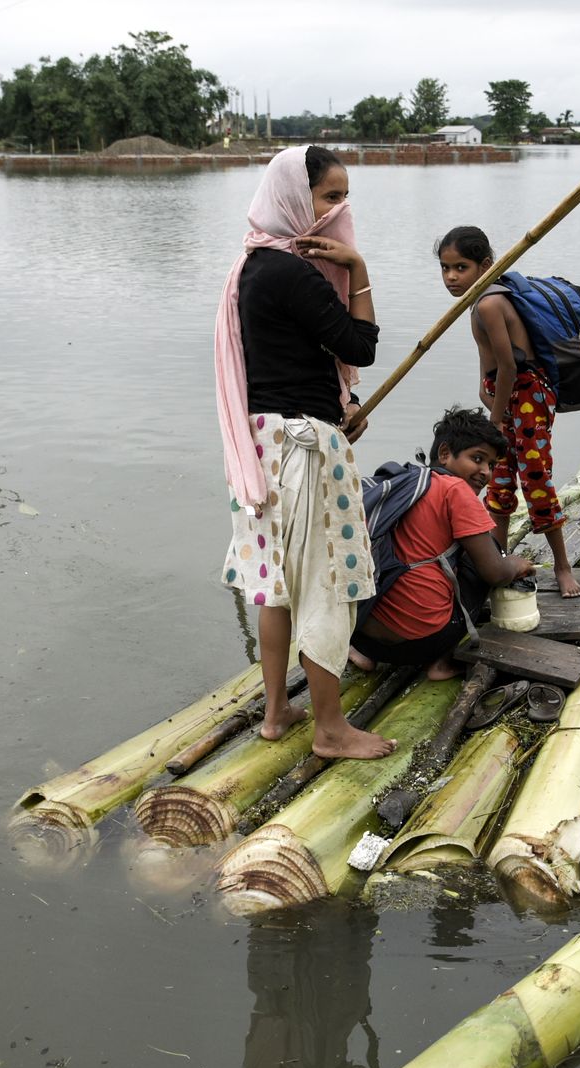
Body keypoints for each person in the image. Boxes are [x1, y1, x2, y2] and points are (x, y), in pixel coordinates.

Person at [215, 146, 395, 760]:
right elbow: (360, 344)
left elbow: (287, 360)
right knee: (324, 584)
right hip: (302, 452)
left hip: (267, 440)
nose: (339, 209)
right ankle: (330, 729)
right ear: (295, 197)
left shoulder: (252, 267)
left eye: (345, 196)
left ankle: (275, 712)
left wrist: (330, 406)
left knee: (276, 586)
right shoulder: (290, 272)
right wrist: (359, 268)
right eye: (329, 196)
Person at [435, 225, 580, 597]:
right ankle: (495, 563)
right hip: (502, 398)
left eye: (461, 267)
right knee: (497, 483)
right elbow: (489, 362)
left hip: (527, 401)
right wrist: (484, 393)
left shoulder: (489, 302)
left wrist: (496, 419)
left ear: (485, 264)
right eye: (445, 268)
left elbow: (510, 366)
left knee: (536, 481)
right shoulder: (477, 300)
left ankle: (563, 567)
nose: (451, 277)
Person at [349, 408, 535, 680]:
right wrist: (515, 564)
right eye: (478, 459)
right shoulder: (455, 490)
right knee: (488, 557)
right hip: (420, 645)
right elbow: (494, 572)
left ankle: (361, 654)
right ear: (446, 453)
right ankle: (441, 662)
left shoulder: (410, 481)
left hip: (362, 636)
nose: (485, 472)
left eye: (491, 465)